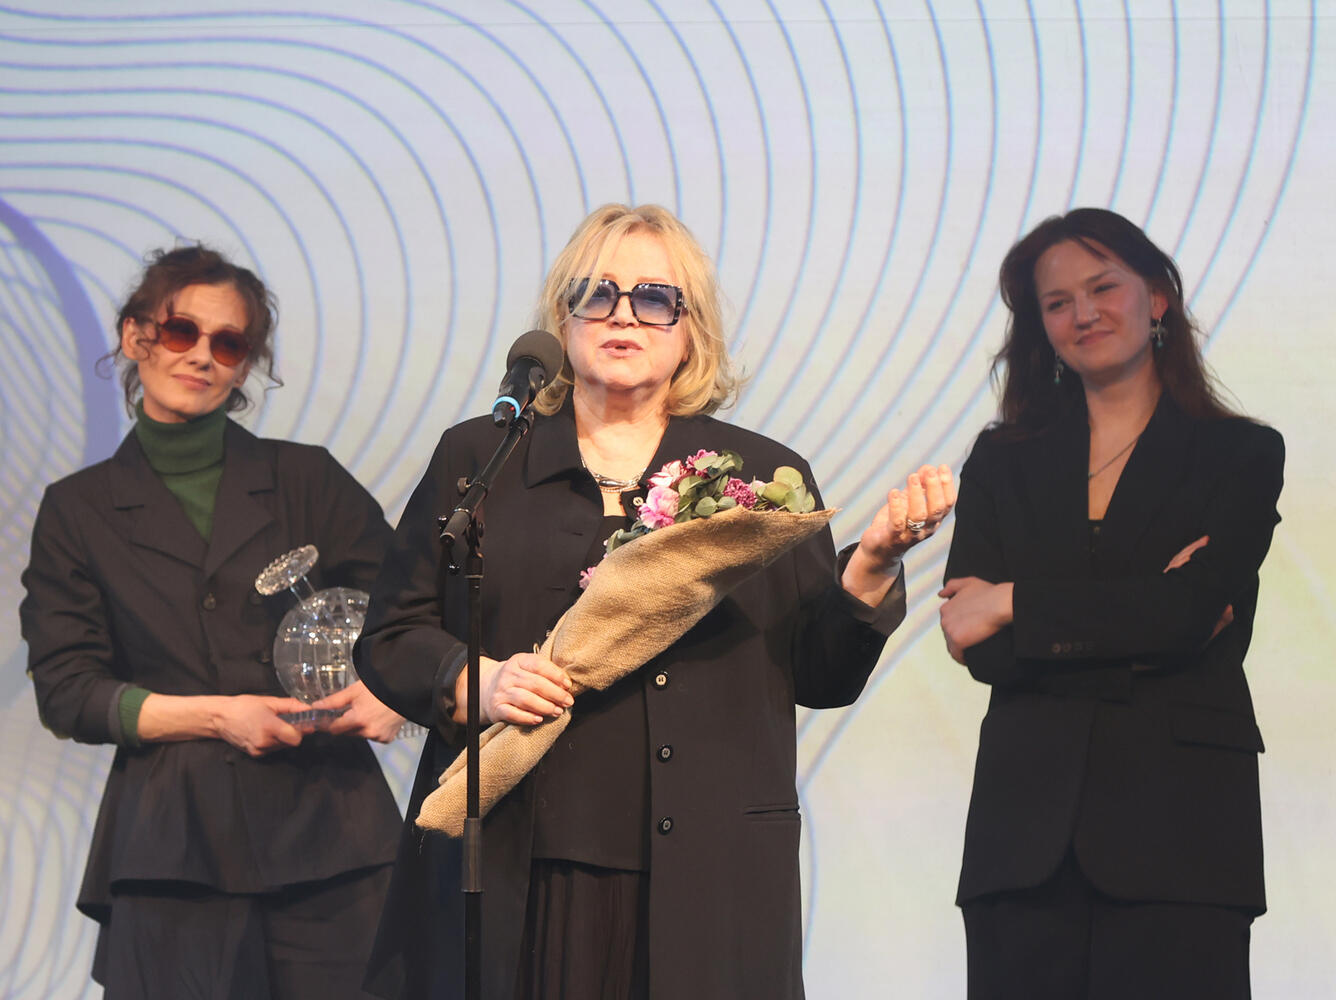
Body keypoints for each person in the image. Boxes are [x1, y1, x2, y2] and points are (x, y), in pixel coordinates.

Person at [354, 203, 955, 1000]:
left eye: (654, 298)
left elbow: (821, 674)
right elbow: (392, 634)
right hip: (516, 865)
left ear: (690, 328)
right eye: (597, 293)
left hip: (709, 879)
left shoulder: (759, 479)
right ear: (563, 317)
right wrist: (477, 681)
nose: (623, 315)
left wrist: (872, 563)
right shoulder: (483, 458)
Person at [20, 245, 407, 999]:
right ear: (136, 336)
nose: (201, 355)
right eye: (180, 331)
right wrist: (217, 717)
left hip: (334, 837)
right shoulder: (76, 510)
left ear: (244, 366)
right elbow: (66, 691)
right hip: (171, 852)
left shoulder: (307, 478)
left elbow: (411, 613)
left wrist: (392, 693)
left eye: (228, 343)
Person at [938, 207, 1284, 999]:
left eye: (1103, 288)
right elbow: (979, 644)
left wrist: (1014, 600)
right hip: (1022, 845)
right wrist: (1145, 612)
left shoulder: (1240, 453)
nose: (1083, 313)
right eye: (1057, 303)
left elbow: (1187, 616)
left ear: (1156, 297)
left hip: (1183, 836)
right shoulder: (1002, 459)